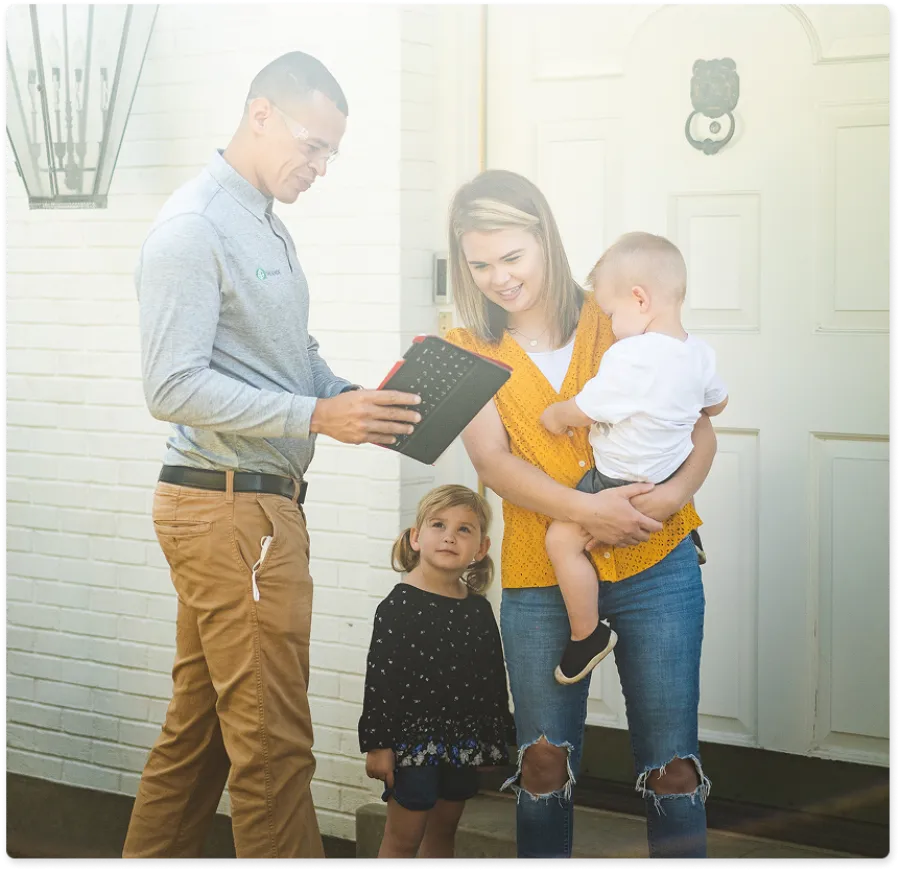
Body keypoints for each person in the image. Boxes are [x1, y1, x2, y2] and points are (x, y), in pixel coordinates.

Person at [123, 53, 422, 860]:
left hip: (248, 508)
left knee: (204, 735)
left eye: (331, 152)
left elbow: (289, 357)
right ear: (260, 114)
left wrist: (359, 399)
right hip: (231, 511)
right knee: (274, 747)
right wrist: (317, 413)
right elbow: (171, 385)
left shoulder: (265, 226)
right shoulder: (192, 229)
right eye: (312, 144)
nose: (320, 166)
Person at [444, 170, 716, 860]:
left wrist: (669, 497)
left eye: (512, 257)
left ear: (546, 242)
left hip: (657, 560)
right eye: (479, 264)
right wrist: (591, 509)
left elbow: (702, 424)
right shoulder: (466, 346)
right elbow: (495, 464)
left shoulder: (617, 311)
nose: (498, 278)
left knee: (672, 766)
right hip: (543, 573)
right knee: (540, 763)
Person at [540, 232, 728, 686]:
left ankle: (586, 634)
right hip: (670, 471)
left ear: (639, 299)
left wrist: (555, 415)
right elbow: (716, 407)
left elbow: (586, 409)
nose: (609, 323)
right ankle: (683, 526)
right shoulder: (699, 351)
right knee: (676, 446)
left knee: (562, 542)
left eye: (610, 312)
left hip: (616, 481)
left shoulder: (631, 356)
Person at [358, 485, 516, 860]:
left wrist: (494, 737)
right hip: (412, 743)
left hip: (462, 739)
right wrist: (378, 745)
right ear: (416, 537)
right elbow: (380, 681)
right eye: (439, 524)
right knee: (404, 836)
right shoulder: (398, 606)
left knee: (444, 832)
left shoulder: (478, 609)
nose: (450, 536)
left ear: (481, 548)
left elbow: (492, 677)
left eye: (465, 529)